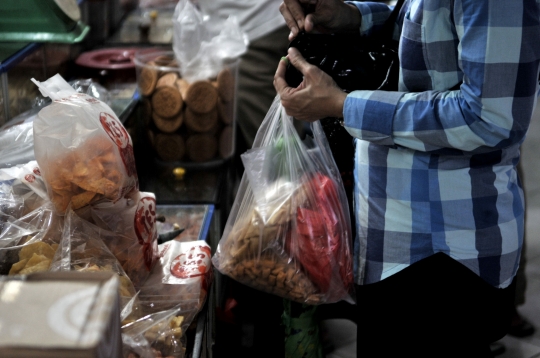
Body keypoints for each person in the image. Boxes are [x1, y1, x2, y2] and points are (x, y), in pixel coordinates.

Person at [274, 0, 540, 357]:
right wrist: (348, 17)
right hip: (398, 236)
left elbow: (490, 118)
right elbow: (422, 30)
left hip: (444, 251)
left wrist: (343, 105)